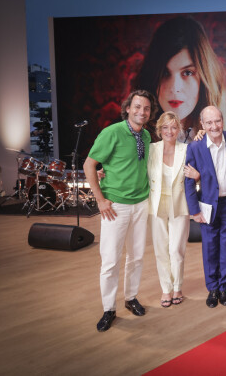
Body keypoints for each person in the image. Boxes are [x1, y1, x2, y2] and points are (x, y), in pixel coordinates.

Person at [84, 90, 157, 332]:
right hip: (115, 206)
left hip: (140, 203)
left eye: (146, 108)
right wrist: (101, 200)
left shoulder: (145, 135)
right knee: (110, 260)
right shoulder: (112, 132)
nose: (142, 112)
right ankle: (109, 309)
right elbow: (89, 165)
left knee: (136, 257)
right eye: (137, 107)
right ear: (128, 108)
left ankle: (131, 298)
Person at [132, 16, 226, 143]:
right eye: (165, 73)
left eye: (187, 72)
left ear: (204, 78)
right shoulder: (127, 137)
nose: (175, 88)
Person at [184, 106, 226, 308]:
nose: (214, 126)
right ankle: (213, 288)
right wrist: (194, 211)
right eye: (209, 123)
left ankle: (224, 287)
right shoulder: (195, 147)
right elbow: (188, 181)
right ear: (202, 125)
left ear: (222, 120)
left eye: (217, 121)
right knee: (209, 247)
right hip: (207, 205)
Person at [147, 111, 197, 307]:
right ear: (159, 130)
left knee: (176, 249)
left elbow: (198, 171)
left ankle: (178, 286)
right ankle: (166, 289)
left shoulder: (186, 150)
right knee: (161, 250)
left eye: (174, 127)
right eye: (165, 127)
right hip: (157, 205)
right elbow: (135, 169)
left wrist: (197, 175)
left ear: (179, 130)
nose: (170, 131)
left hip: (180, 204)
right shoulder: (152, 150)